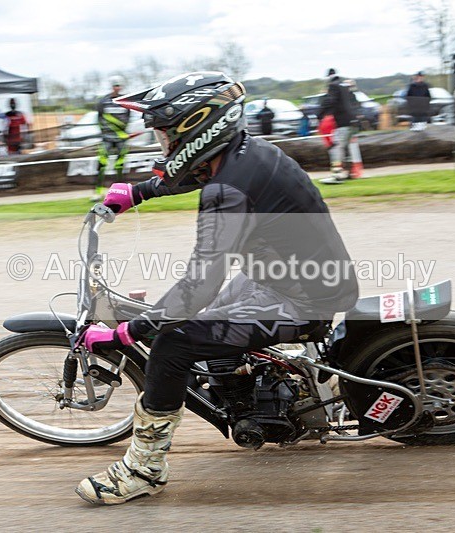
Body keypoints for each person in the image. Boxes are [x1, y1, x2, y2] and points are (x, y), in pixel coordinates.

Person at [73, 71, 358, 505]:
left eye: (165, 133)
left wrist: (129, 332)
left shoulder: (226, 191)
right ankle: (280, 386)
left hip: (300, 299)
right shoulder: (246, 153)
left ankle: (144, 469)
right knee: (205, 322)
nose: (161, 144)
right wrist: (141, 192)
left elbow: (200, 282)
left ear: (196, 128)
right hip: (294, 279)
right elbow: (195, 172)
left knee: (173, 341)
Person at [93, 75, 131, 201]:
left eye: (119, 85)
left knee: (120, 165)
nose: (117, 88)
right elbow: (99, 118)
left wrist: (122, 132)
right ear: (112, 86)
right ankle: (98, 192)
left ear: (122, 87)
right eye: (115, 85)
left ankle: (122, 192)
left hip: (121, 138)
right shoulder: (103, 101)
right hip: (107, 138)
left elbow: (127, 119)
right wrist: (104, 132)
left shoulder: (125, 101)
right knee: (102, 164)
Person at [318, 68, 356, 182]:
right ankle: (350, 172)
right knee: (346, 147)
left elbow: (330, 101)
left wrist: (320, 114)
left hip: (342, 121)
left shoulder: (333, 86)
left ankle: (337, 174)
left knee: (336, 147)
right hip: (352, 121)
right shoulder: (344, 86)